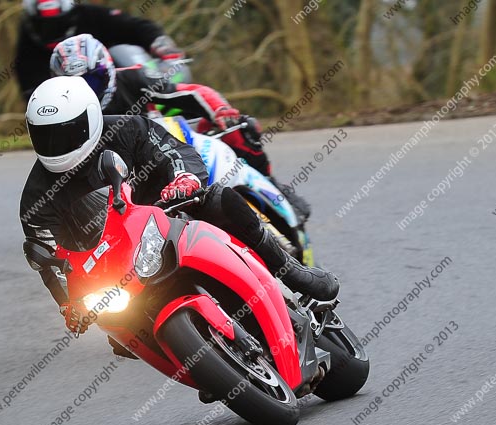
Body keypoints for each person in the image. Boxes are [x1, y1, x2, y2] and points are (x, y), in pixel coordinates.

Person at [19, 76, 338, 334]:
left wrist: (184, 178)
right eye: (45, 136)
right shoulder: (36, 199)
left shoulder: (127, 128)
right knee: (118, 331)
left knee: (222, 200)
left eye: (66, 134)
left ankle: (291, 271)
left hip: (173, 214)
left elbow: (174, 151)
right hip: (118, 267)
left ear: (91, 118)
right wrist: (68, 303)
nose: (55, 146)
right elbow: (50, 260)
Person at [48, 34, 312, 220]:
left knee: (242, 128)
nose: (88, 91)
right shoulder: (61, 114)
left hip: (166, 149)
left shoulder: (133, 77)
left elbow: (190, 93)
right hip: (120, 181)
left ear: (108, 70)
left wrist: (222, 112)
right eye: (74, 85)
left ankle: (277, 189)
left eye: (93, 80)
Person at [16, 0, 183, 101]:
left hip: (120, 88)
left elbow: (135, 26)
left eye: (57, 23)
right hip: (73, 105)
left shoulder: (92, 15)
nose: (51, 31)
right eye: (43, 25)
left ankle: (158, 90)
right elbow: (31, 88)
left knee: (121, 51)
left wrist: (161, 44)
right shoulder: (27, 44)